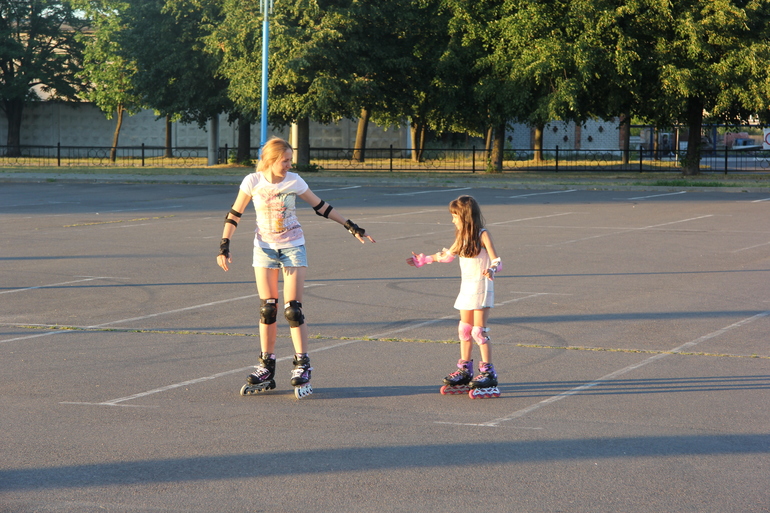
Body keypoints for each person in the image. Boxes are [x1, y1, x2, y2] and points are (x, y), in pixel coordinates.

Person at [217, 136, 375, 396]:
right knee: (268, 309)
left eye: (290, 160)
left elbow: (321, 206)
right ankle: (266, 366)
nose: (289, 165)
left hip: (293, 247)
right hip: (264, 249)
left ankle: (302, 364)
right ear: (271, 160)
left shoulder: (294, 180)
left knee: (293, 310)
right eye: (285, 160)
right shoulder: (252, 181)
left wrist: (351, 226)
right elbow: (235, 214)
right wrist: (224, 245)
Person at [406, 195, 502, 397]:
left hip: (482, 287)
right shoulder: (462, 237)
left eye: (455, 216)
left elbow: (497, 260)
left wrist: (492, 269)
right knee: (464, 330)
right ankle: (465, 370)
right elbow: (447, 256)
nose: (452, 220)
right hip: (467, 288)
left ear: (465, 216)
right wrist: (424, 260)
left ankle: (488, 372)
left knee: (478, 332)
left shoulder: (482, 235)